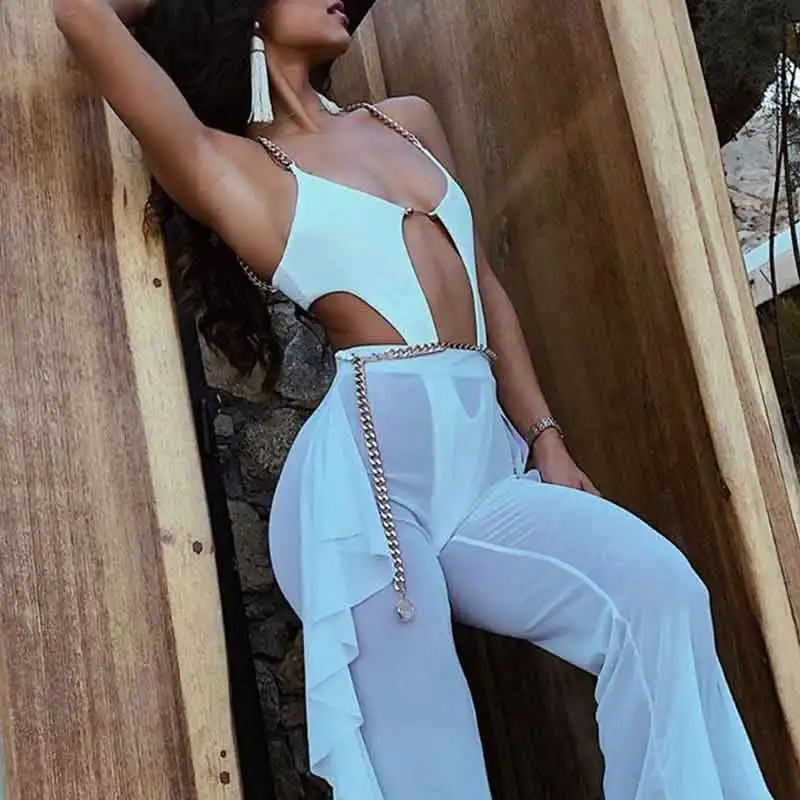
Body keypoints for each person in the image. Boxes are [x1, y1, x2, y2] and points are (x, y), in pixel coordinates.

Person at [54, 0, 773, 797]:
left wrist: (546, 438)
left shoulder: (408, 121)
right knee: (431, 766)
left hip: (484, 474)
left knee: (658, 593)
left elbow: (483, 284)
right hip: (365, 503)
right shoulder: (233, 169)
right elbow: (79, 12)